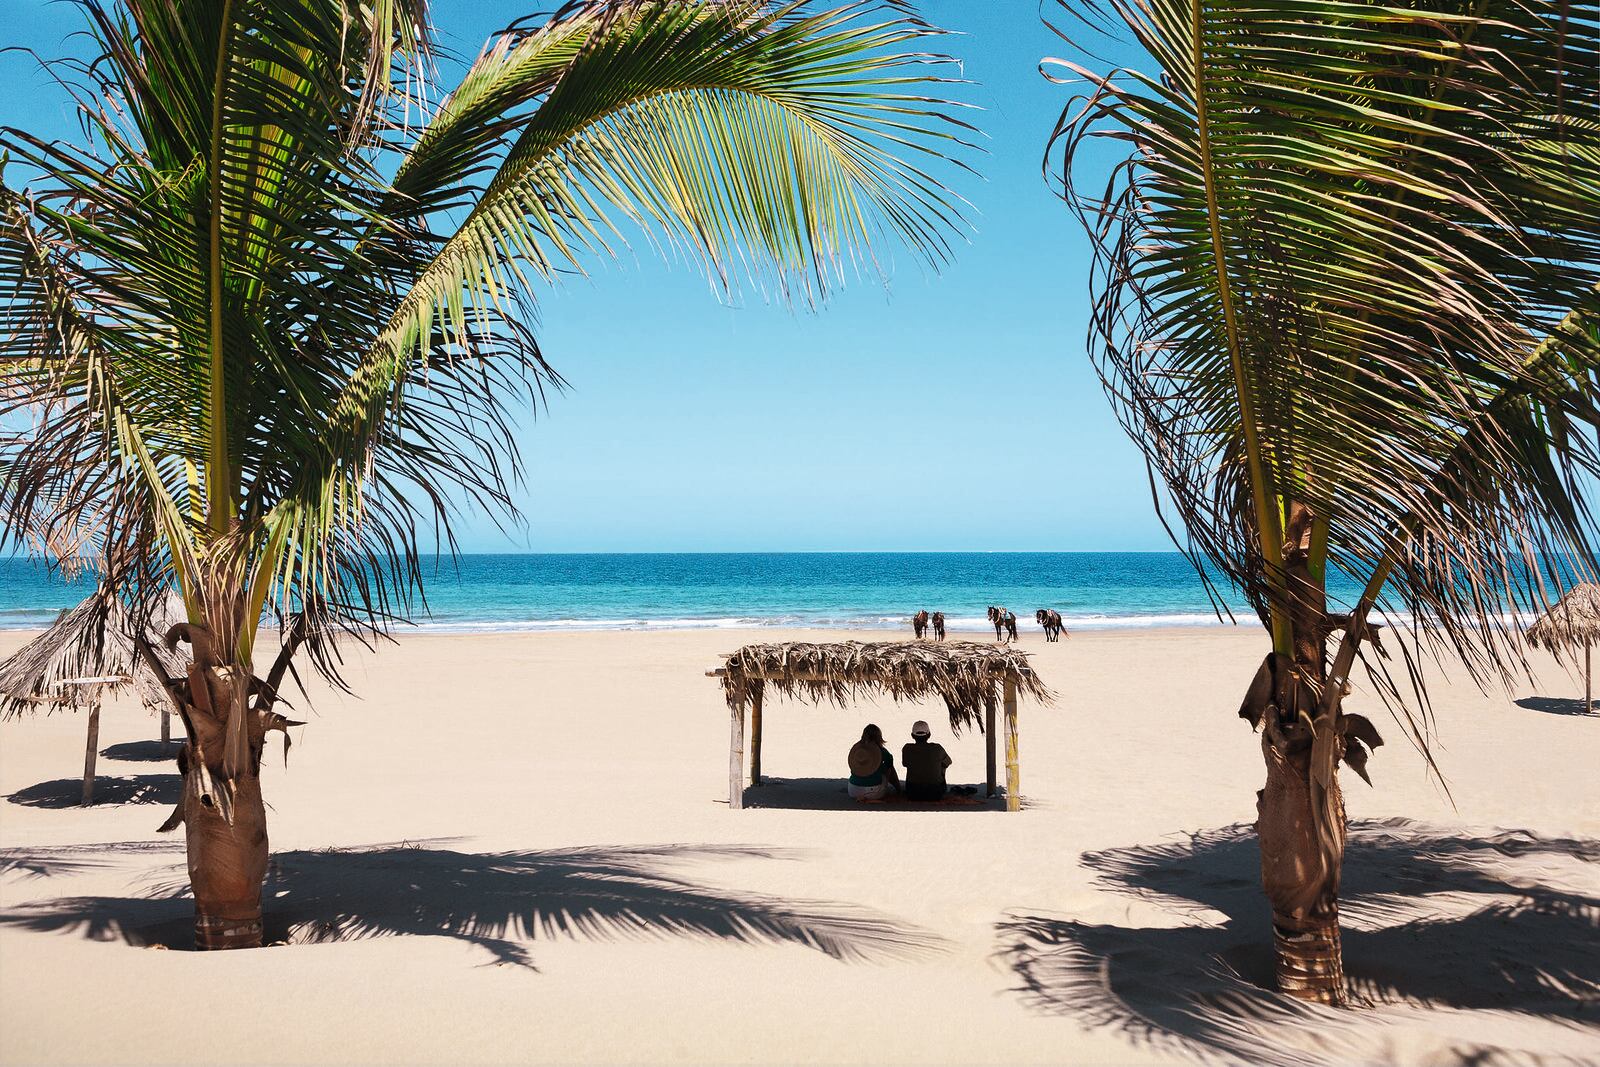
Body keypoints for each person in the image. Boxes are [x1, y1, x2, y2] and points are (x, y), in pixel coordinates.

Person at [901, 719, 953, 801]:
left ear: (912, 735)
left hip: (913, 793)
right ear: (929, 735)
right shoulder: (937, 748)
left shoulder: (907, 749)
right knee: (942, 765)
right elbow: (948, 762)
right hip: (935, 793)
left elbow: (905, 764)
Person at [847, 724, 900, 801]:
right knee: (888, 768)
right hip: (873, 793)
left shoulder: (858, 750)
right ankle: (898, 789)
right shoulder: (882, 751)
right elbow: (890, 765)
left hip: (852, 790)